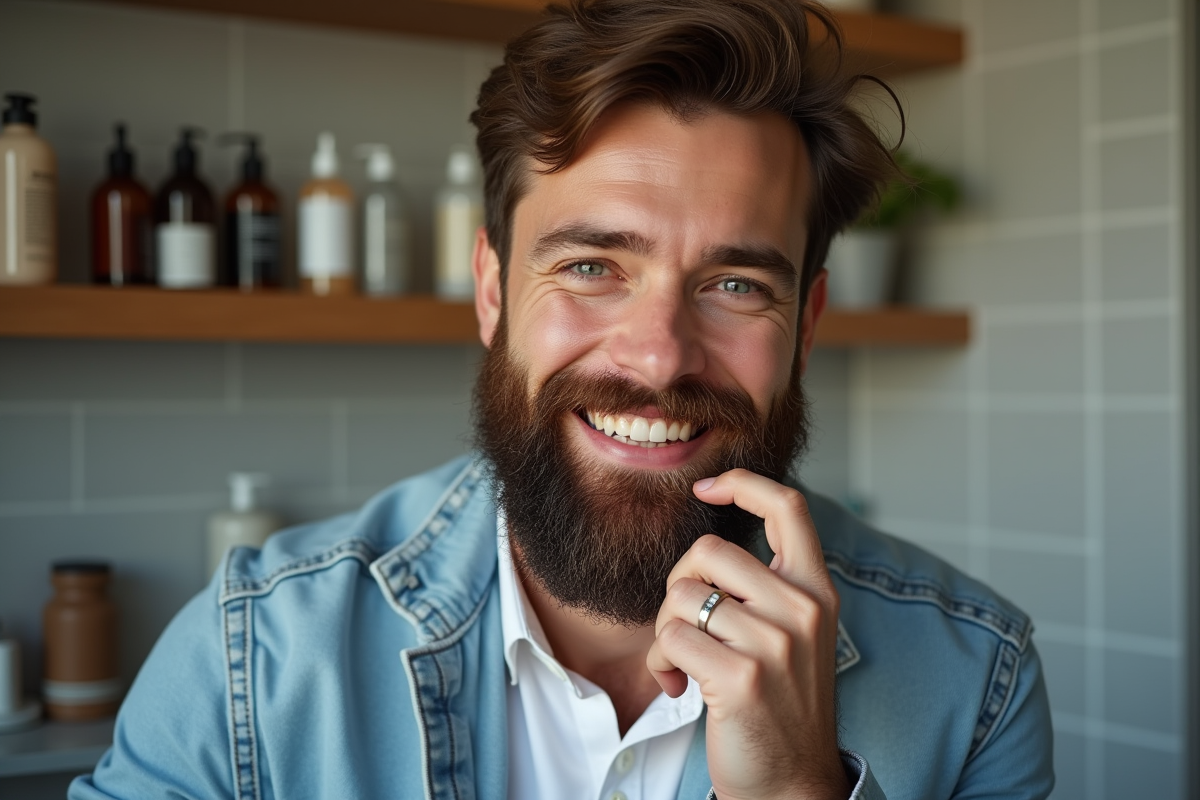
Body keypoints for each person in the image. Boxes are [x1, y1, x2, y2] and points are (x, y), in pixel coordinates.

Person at [70, 1, 1054, 798]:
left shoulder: (976, 678)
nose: (659, 357)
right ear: (494, 291)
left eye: (736, 284)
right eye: (591, 264)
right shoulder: (252, 655)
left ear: (806, 321)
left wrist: (799, 788)